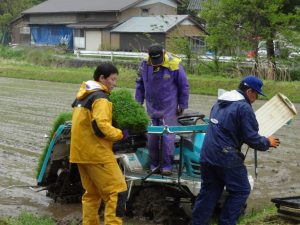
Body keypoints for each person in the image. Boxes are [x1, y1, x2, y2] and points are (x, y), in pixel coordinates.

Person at [192, 75, 280, 225]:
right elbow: (252, 138)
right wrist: (267, 142)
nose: (256, 98)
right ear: (249, 91)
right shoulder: (244, 107)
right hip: (226, 156)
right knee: (241, 190)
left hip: (207, 154)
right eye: (256, 94)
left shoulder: (220, 102)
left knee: (209, 192)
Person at [70, 62, 128, 225]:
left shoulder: (82, 96)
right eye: (113, 79)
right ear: (102, 78)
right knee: (118, 192)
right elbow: (101, 127)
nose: (114, 84)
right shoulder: (100, 98)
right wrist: (120, 133)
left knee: (92, 194)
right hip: (97, 154)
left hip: (79, 154)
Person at [135, 43, 189, 175]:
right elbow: (140, 84)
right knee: (152, 137)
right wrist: (138, 102)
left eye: (158, 61)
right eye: (154, 61)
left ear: (164, 53)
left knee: (167, 137)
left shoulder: (174, 65)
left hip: (169, 107)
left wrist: (182, 105)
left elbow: (184, 86)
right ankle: (154, 164)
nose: (156, 64)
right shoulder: (144, 64)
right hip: (152, 106)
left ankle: (167, 166)